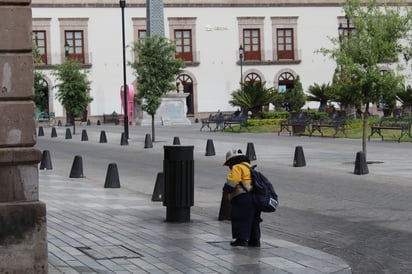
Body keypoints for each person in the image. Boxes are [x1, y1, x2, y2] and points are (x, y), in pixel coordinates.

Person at [222, 148, 262, 247]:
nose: (229, 167)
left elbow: (232, 182)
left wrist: (226, 192)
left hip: (242, 198)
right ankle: (255, 240)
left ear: (232, 161)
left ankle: (241, 240)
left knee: (240, 217)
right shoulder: (249, 167)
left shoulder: (237, 167)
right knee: (254, 219)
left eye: (229, 164)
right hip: (254, 197)